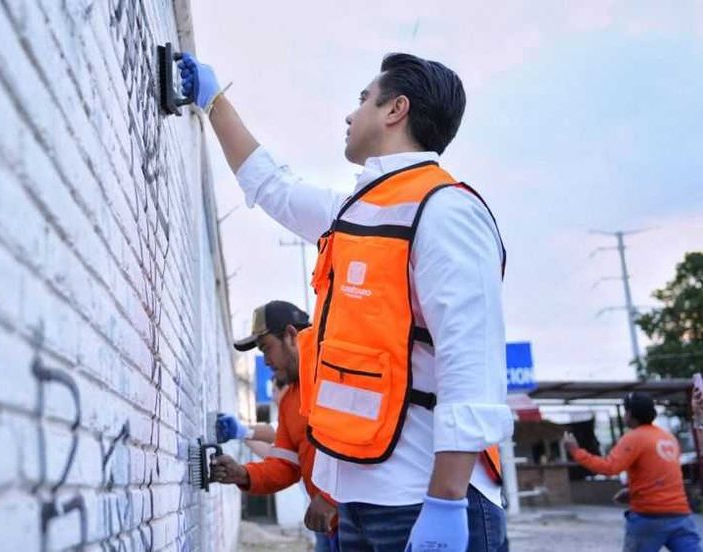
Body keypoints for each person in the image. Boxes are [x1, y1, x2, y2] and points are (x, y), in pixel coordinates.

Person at [179, 51, 512, 552]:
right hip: (359, 504)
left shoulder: (445, 211)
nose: (350, 114)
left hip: (426, 500)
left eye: (363, 100)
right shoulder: (357, 212)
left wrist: (445, 504)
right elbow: (275, 188)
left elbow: (473, 364)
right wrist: (214, 101)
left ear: (395, 110)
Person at [210, 300, 339, 551]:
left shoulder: (336, 377)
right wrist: (243, 473)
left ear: (291, 336)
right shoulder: (290, 400)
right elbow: (285, 465)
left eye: (266, 348)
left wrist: (330, 497)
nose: (266, 360)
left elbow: (362, 446)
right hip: (332, 526)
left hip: (370, 519)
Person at [565, 392, 702, 552]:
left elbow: (609, 468)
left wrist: (575, 451)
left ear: (630, 414)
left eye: (625, 411)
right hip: (680, 516)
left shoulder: (634, 438)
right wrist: (633, 491)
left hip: (649, 517)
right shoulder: (668, 438)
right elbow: (664, 475)